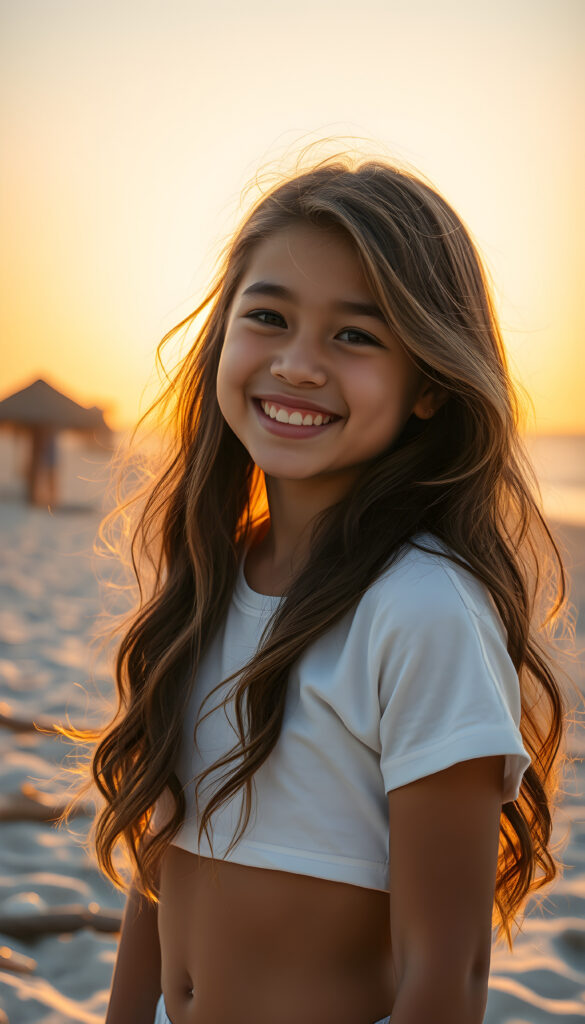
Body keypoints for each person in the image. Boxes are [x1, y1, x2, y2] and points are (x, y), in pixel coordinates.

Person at [90, 156, 568, 1024]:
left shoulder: (421, 611)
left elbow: (445, 974)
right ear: (223, 337)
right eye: (267, 317)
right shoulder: (209, 580)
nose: (298, 365)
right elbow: (159, 883)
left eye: (354, 335)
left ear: (428, 383)